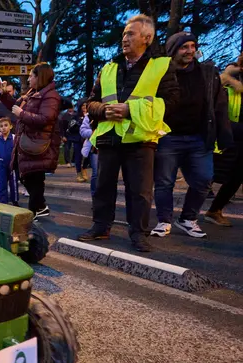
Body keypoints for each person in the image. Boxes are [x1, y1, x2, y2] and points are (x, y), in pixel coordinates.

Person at [77, 14, 179, 252]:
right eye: (124, 34)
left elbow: (172, 102)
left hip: (140, 139)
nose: (124, 38)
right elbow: (91, 102)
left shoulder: (161, 65)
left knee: (140, 191)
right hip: (108, 136)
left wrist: (130, 109)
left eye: (130, 34)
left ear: (147, 37)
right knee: (103, 185)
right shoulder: (109, 67)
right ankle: (101, 226)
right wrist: (103, 110)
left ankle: (138, 233)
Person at [149, 32, 233, 239]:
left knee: (204, 180)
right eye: (183, 47)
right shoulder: (160, 72)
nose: (190, 51)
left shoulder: (207, 72)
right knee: (164, 182)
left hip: (198, 137)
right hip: (168, 137)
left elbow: (219, 104)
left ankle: (187, 218)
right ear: (172, 51)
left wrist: (224, 134)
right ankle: (164, 221)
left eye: (192, 46)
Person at [0, 63, 62, 219]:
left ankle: (34, 212)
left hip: (38, 144)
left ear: (38, 77)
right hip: (27, 143)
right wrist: (4, 95)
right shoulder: (32, 93)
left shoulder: (51, 96)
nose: (28, 78)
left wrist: (22, 114)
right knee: (25, 174)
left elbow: (46, 118)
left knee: (34, 176)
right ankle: (39, 207)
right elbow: (15, 106)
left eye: (31, 76)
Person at [206, 54, 243, 226]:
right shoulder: (230, 77)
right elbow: (211, 89)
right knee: (215, 173)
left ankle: (214, 210)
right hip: (230, 133)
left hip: (236, 133)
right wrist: (228, 76)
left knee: (236, 176)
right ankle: (191, 214)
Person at [0, 117, 19, 205]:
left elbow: (19, 151)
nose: (3, 128)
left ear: (11, 126)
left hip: (12, 165)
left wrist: (16, 161)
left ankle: (15, 201)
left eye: (6, 125)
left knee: (13, 184)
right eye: (1, 126)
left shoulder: (15, 139)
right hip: (1, 166)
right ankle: (3, 202)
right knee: (2, 184)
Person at [80, 104, 98, 198]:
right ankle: (95, 197)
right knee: (96, 173)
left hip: (110, 147)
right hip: (94, 147)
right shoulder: (89, 116)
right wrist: (93, 132)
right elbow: (82, 131)